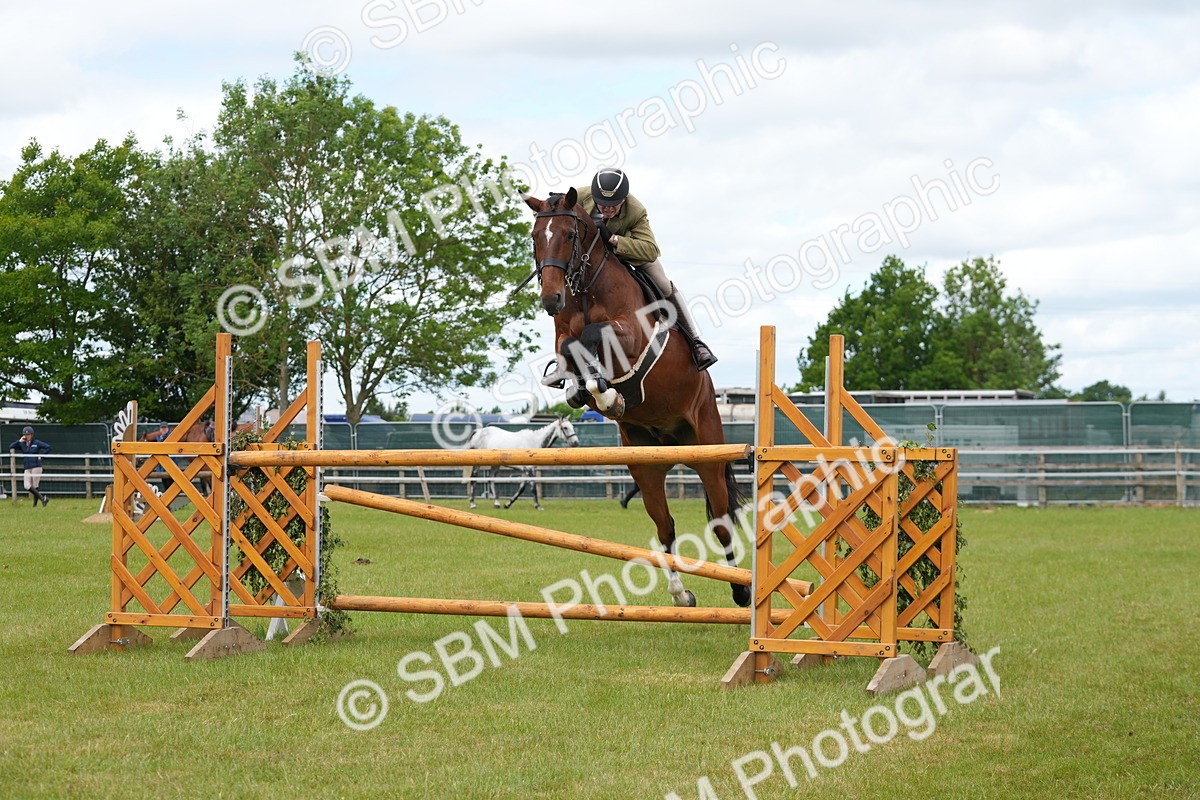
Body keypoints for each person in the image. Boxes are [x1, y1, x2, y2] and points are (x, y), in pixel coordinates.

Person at [576, 168, 717, 370]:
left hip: (626, 253)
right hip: (591, 258)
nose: (607, 209)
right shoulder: (581, 196)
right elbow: (547, 213)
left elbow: (651, 250)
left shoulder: (636, 210)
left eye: (614, 204)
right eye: (603, 204)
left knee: (662, 283)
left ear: (623, 199)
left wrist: (614, 239)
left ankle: (695, 342)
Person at [9, 426, 51, 507]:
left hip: (36, 466)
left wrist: (42, 455)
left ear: (31, 434)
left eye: (28, 434)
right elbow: (11, 446)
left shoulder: (36, 442)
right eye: (25, 434)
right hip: (27, 467)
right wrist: (19, 441)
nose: (27, 436)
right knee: (26, 485)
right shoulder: (22, 444)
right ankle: (43, 499)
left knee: (35, 485)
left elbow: (48, 447)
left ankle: (35, 505)